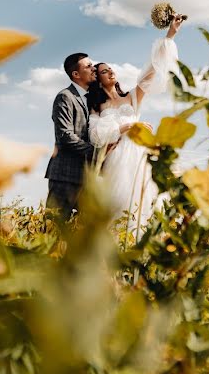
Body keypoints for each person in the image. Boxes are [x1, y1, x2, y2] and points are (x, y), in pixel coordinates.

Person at [86, 15, 183, 231]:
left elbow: (152, 70)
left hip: (139, 152)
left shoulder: (132, 96)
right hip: (117, 156)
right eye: (104, 71)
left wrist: (170, 35)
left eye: (110, 69)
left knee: (146, 201)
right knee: (121, 203)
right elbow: (95, 135)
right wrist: (126, 126)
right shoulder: (97, 106)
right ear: (98, 79)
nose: (110, 71)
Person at [44, 52, 97, 219]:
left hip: (87, 179)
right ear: (76, 74)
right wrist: (98, 151)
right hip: (65, 176)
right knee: (54, 230)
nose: (93, 68)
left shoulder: (93, 100)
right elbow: (65, 136)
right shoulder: (65, 97)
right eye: (88, 66)